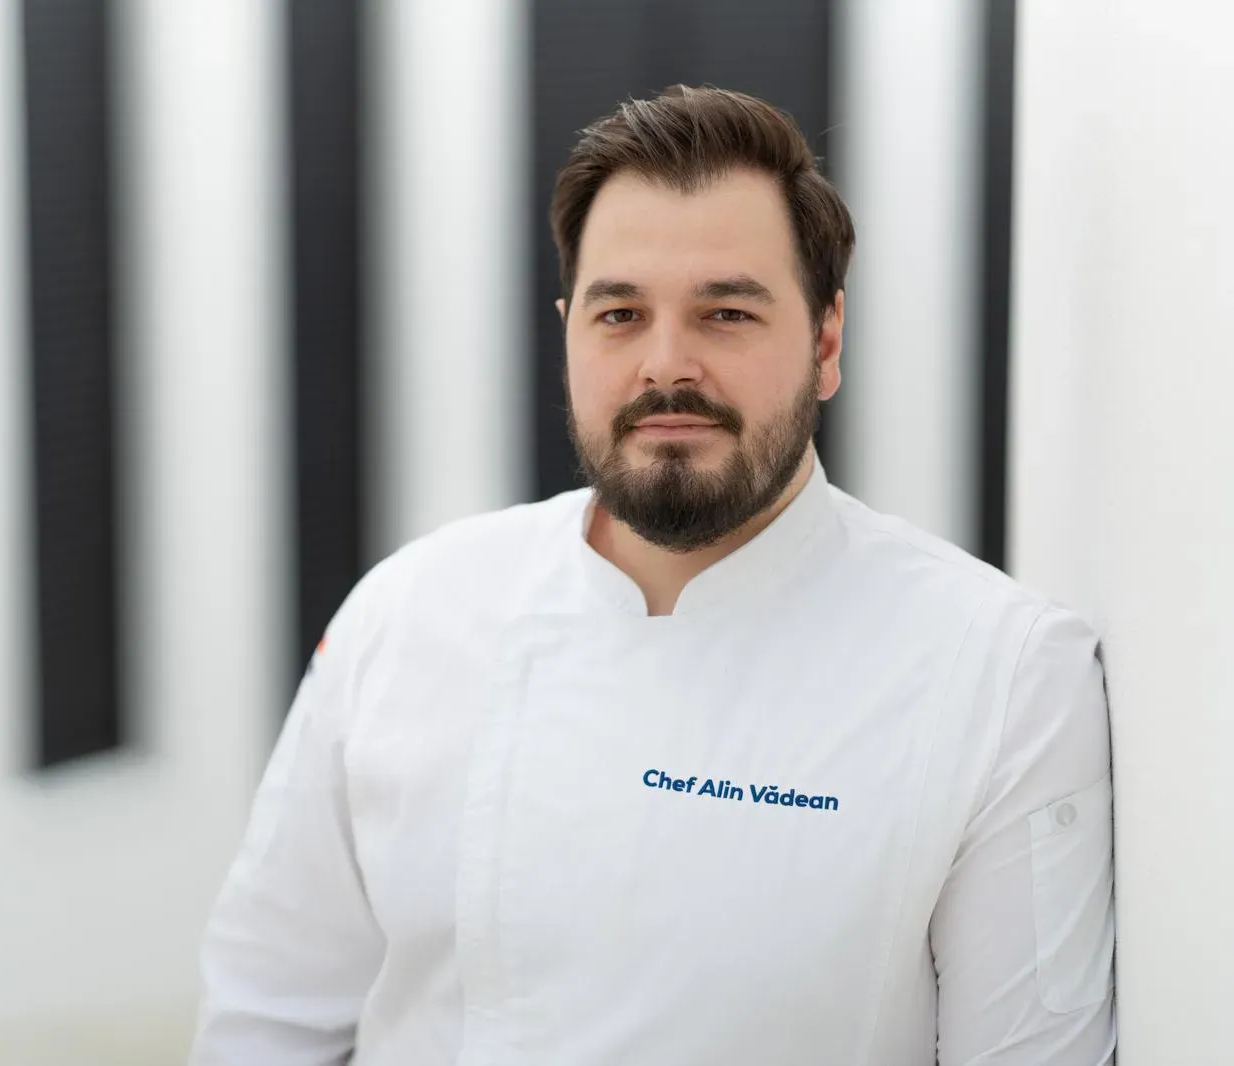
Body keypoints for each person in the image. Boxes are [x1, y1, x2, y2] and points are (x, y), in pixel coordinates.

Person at [187, 85, 1115, 1065]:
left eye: (726, 313)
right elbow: (266, 1019)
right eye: (620, 313)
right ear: (568, 333)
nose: (666, 367)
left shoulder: (1002, 675)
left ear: (825, 341)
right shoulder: (405, 615)